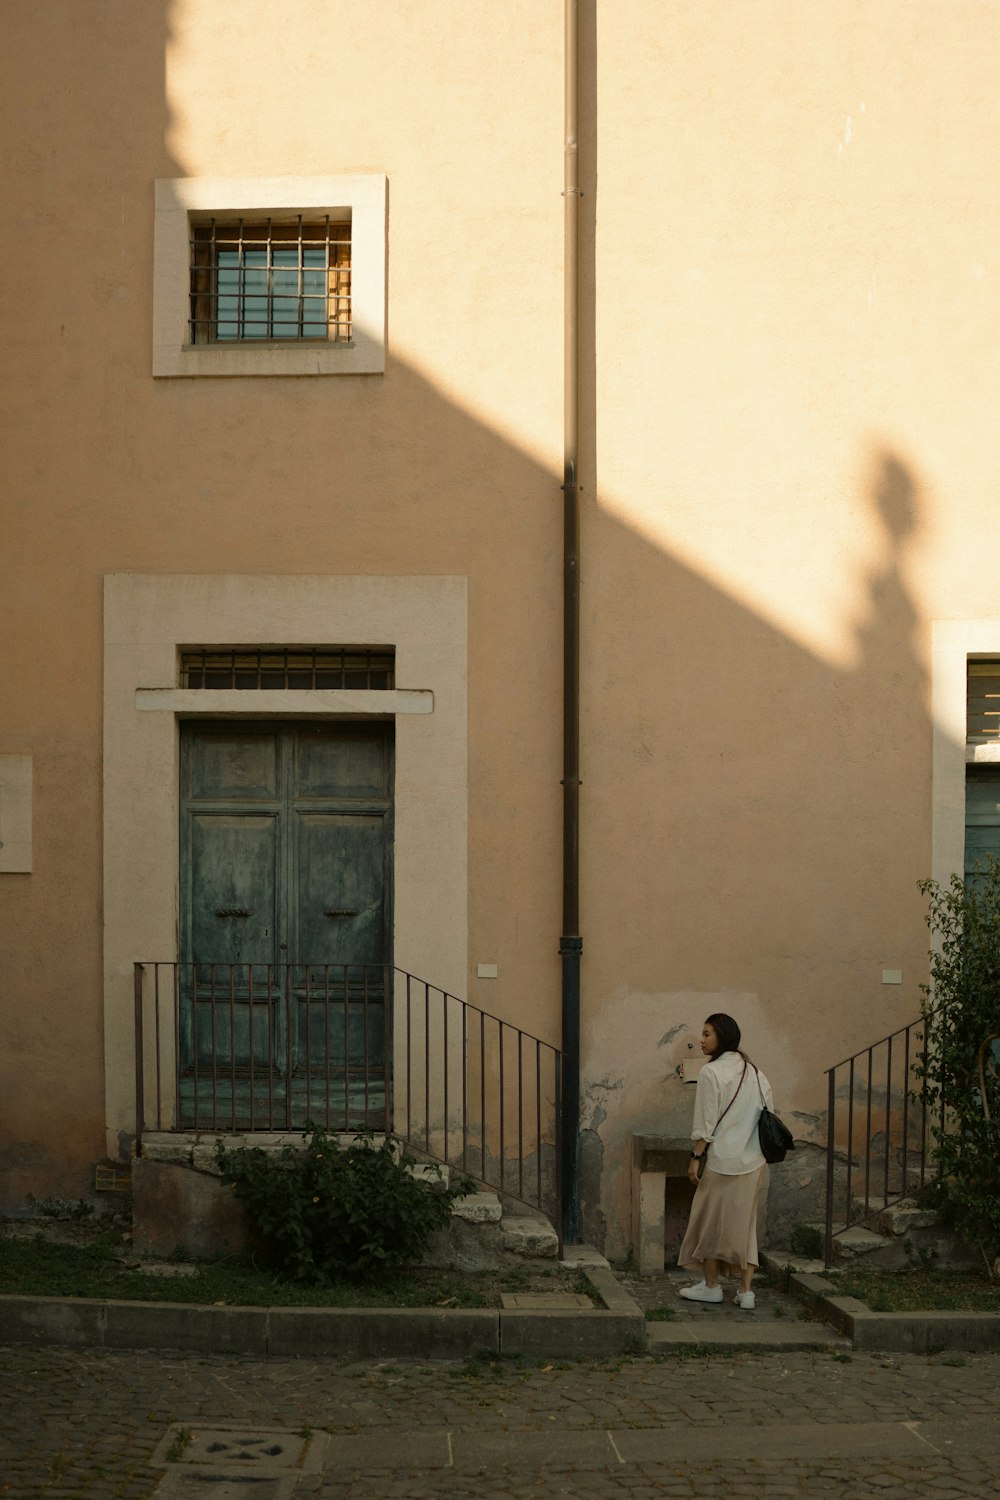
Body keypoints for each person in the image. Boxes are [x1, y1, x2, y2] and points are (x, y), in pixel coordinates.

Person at [676, 1012, 773, 1310]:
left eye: (707, 1034)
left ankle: (711, 1286)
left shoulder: (711, 1072)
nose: (701, 1040)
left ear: (722, 1036)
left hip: (722, 1161)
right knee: (745, 1226)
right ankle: (746, 1292)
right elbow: (768, 1111)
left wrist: (695, 1158)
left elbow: (705, 1122)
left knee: (708, 1222)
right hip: (754, 1160)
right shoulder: (755, 1072)